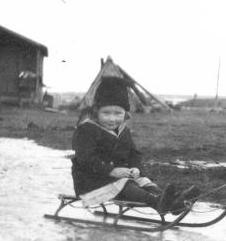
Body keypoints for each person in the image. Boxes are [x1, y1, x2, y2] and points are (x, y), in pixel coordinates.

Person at [71, 76, 199, 215]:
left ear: (125, 113)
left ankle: (173, 202)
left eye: (118, 113)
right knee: (127, 185)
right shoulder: (87, 129)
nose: (112, 118)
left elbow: (133, 153)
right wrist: (111, 171)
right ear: (96, 112)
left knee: (143, 181)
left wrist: (136, 168)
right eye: (106, 113)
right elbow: (86, 159)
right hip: (91, 183)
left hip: (117, 178)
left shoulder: (123, 130)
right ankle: (157, 203)